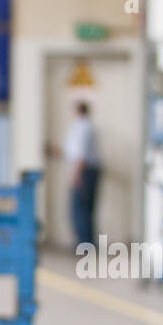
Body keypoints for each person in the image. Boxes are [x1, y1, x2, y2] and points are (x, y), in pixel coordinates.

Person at [63, 99, 101, 250]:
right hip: (89, 170)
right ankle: (87, 243)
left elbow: (80, 154)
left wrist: (76, 175)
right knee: (87, 209)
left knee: (79, 209)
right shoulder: (87, 126)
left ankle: (84, 245)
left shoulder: (81, 127)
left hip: (83, 172)